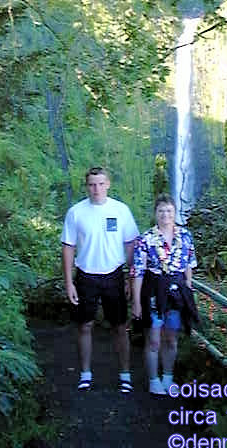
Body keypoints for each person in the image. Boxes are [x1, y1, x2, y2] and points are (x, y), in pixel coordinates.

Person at [61, 166, 139, 393]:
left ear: (108, 184)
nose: (96, 189)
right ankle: (85, 374)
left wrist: (130, 279)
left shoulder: (121, 210)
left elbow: (132, 245)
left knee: (120, 326)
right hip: (86, 276)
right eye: (92, 185)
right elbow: (68, 248)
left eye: (101, 184)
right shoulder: (76, 212)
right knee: (84, 325)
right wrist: (69, 283)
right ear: (86, 186)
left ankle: (125, 375)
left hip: (114, 274)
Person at [132, 194, 198, 396]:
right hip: (153, 291)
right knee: (153, 339)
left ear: (175, 213)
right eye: (161, 211)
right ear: (155, 214)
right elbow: (137, 271)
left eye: (169, 210)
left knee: (171, 338)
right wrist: (136, 302)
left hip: (177, 293)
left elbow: (189, 266)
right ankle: (153, 380)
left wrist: (188, 289)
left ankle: (168, 378)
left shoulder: (185, 236)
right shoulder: (145, 239)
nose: (165, 215)